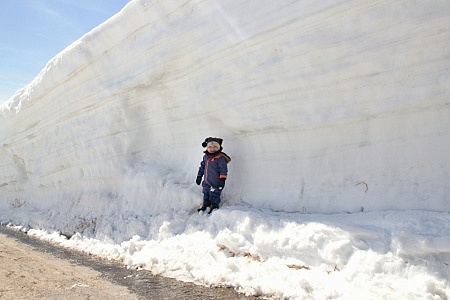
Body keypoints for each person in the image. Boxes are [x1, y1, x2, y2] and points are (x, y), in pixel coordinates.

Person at [196, 137, 231, 213]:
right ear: (207, 148)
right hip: (206, 181)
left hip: (215, 182)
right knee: (206, 192)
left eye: (215, 147)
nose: (212, 149)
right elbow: (202, 167)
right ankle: (206, 204)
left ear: (219, 148)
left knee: (214, 193)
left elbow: (223, 169)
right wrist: (199, 176)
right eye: (210, 147)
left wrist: (222, 179)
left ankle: (214, 205)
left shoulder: (220, 158)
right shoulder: (205, 157)